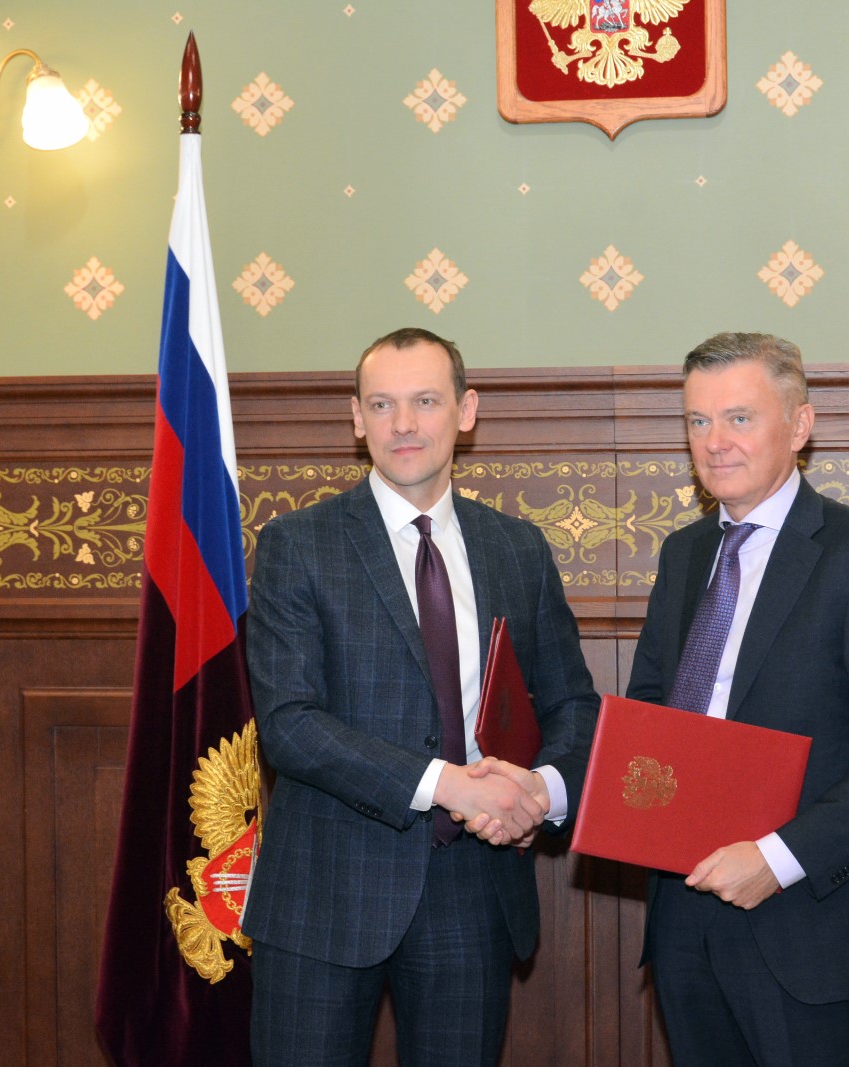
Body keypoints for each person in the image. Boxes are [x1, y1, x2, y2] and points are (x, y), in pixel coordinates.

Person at [243, 327, 599, 1066]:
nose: (404, 423)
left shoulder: (518, 548)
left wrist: (539, 792)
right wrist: (449, 785)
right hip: (326, 892)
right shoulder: (296, 545)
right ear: (357, 417)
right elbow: (289, 724)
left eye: (426, 401)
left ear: (466, 411)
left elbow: (572, 704)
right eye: (383, 404)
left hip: (472, 888)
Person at [626, 332, 849, 1067]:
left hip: (806, 921)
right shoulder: (683, 554)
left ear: (800, 426)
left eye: (739, 418)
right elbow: (650, 716)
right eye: (698, 420)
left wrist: (778, 858)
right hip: (683, 915)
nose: (714, 442)